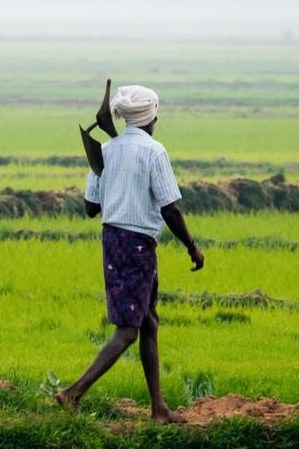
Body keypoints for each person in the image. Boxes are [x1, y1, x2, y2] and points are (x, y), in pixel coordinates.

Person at [56, 83, 205, 423]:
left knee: (149, 321)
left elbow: (90, 208)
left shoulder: (106, 151)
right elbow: (170, 209)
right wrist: (192, 247)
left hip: (114, 240)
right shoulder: (154, 152)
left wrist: (113, 179)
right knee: (127, 331)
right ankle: (72, 393)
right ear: (152, 117)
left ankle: (159, 409)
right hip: (137, 245)